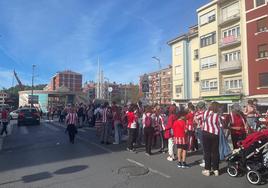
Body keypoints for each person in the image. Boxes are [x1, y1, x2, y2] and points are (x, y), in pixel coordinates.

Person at [202, 102, 222, 176]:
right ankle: (216, 169)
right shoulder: (217, 115)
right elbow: (220, 125)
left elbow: (202, 119)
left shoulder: (205, 113)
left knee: (207, 152)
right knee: (215, 152)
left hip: (206, 133)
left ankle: (207, 169)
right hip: (215, 134)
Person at [194, 101, 206, 167]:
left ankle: (205, 160)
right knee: (207, 145)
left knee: (203, 145)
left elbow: (195, 120)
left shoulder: (198, 113)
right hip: (208, 130)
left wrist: (198, 124)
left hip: (201, 129)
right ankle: (209, 159)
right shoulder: (208, 112)